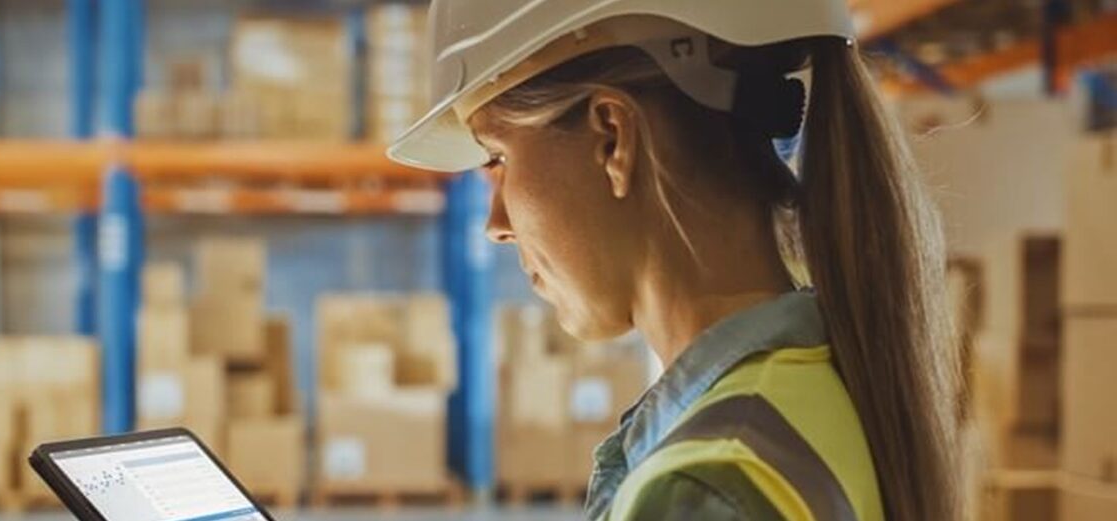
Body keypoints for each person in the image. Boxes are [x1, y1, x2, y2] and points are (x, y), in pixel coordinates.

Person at [387, 1, 961, 520]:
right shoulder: (811, 394)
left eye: (498, 159)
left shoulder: (705, 485)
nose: (495, 225)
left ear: (611, 138)